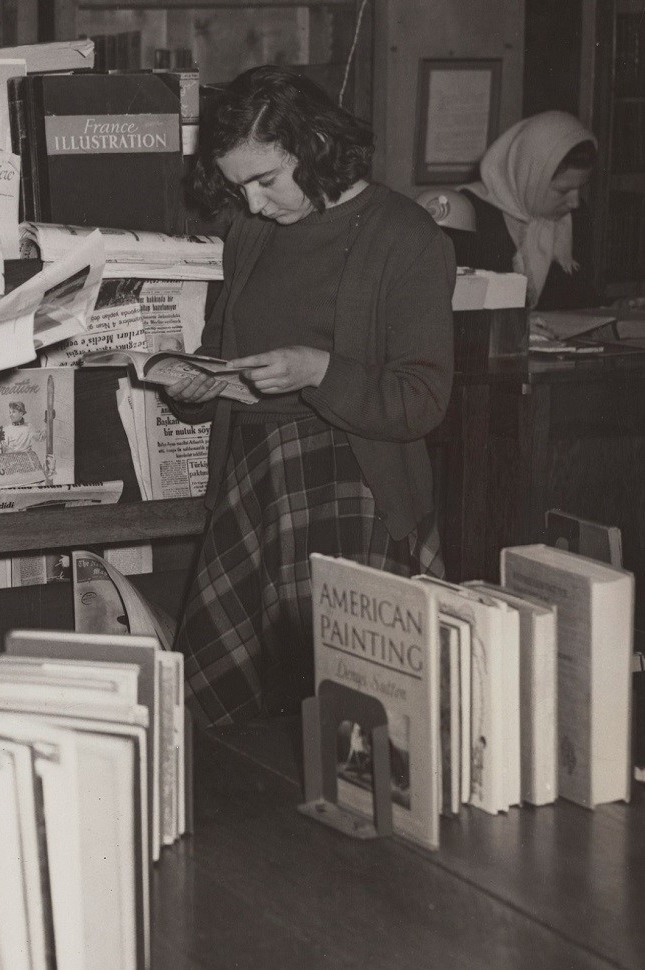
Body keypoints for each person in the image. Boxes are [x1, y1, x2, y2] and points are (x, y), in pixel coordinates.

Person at [166, 66, 455, 726]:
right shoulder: (251, 232)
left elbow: (423, 400)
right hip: (258, 481)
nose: (255, 204)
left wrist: (319, 370)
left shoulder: (405, 237)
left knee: (356, 725)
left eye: (265, 180)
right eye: (240, 186)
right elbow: (222, 353)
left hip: (353, 489)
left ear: (318, 145)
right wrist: (193, 385)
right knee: (238, 726)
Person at [450, 111, 599, 310]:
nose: (574, 202)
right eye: (563, 191)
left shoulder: (576, 219)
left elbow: (580, 299)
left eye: (580, 188)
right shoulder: (466, 214)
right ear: (530, 179)